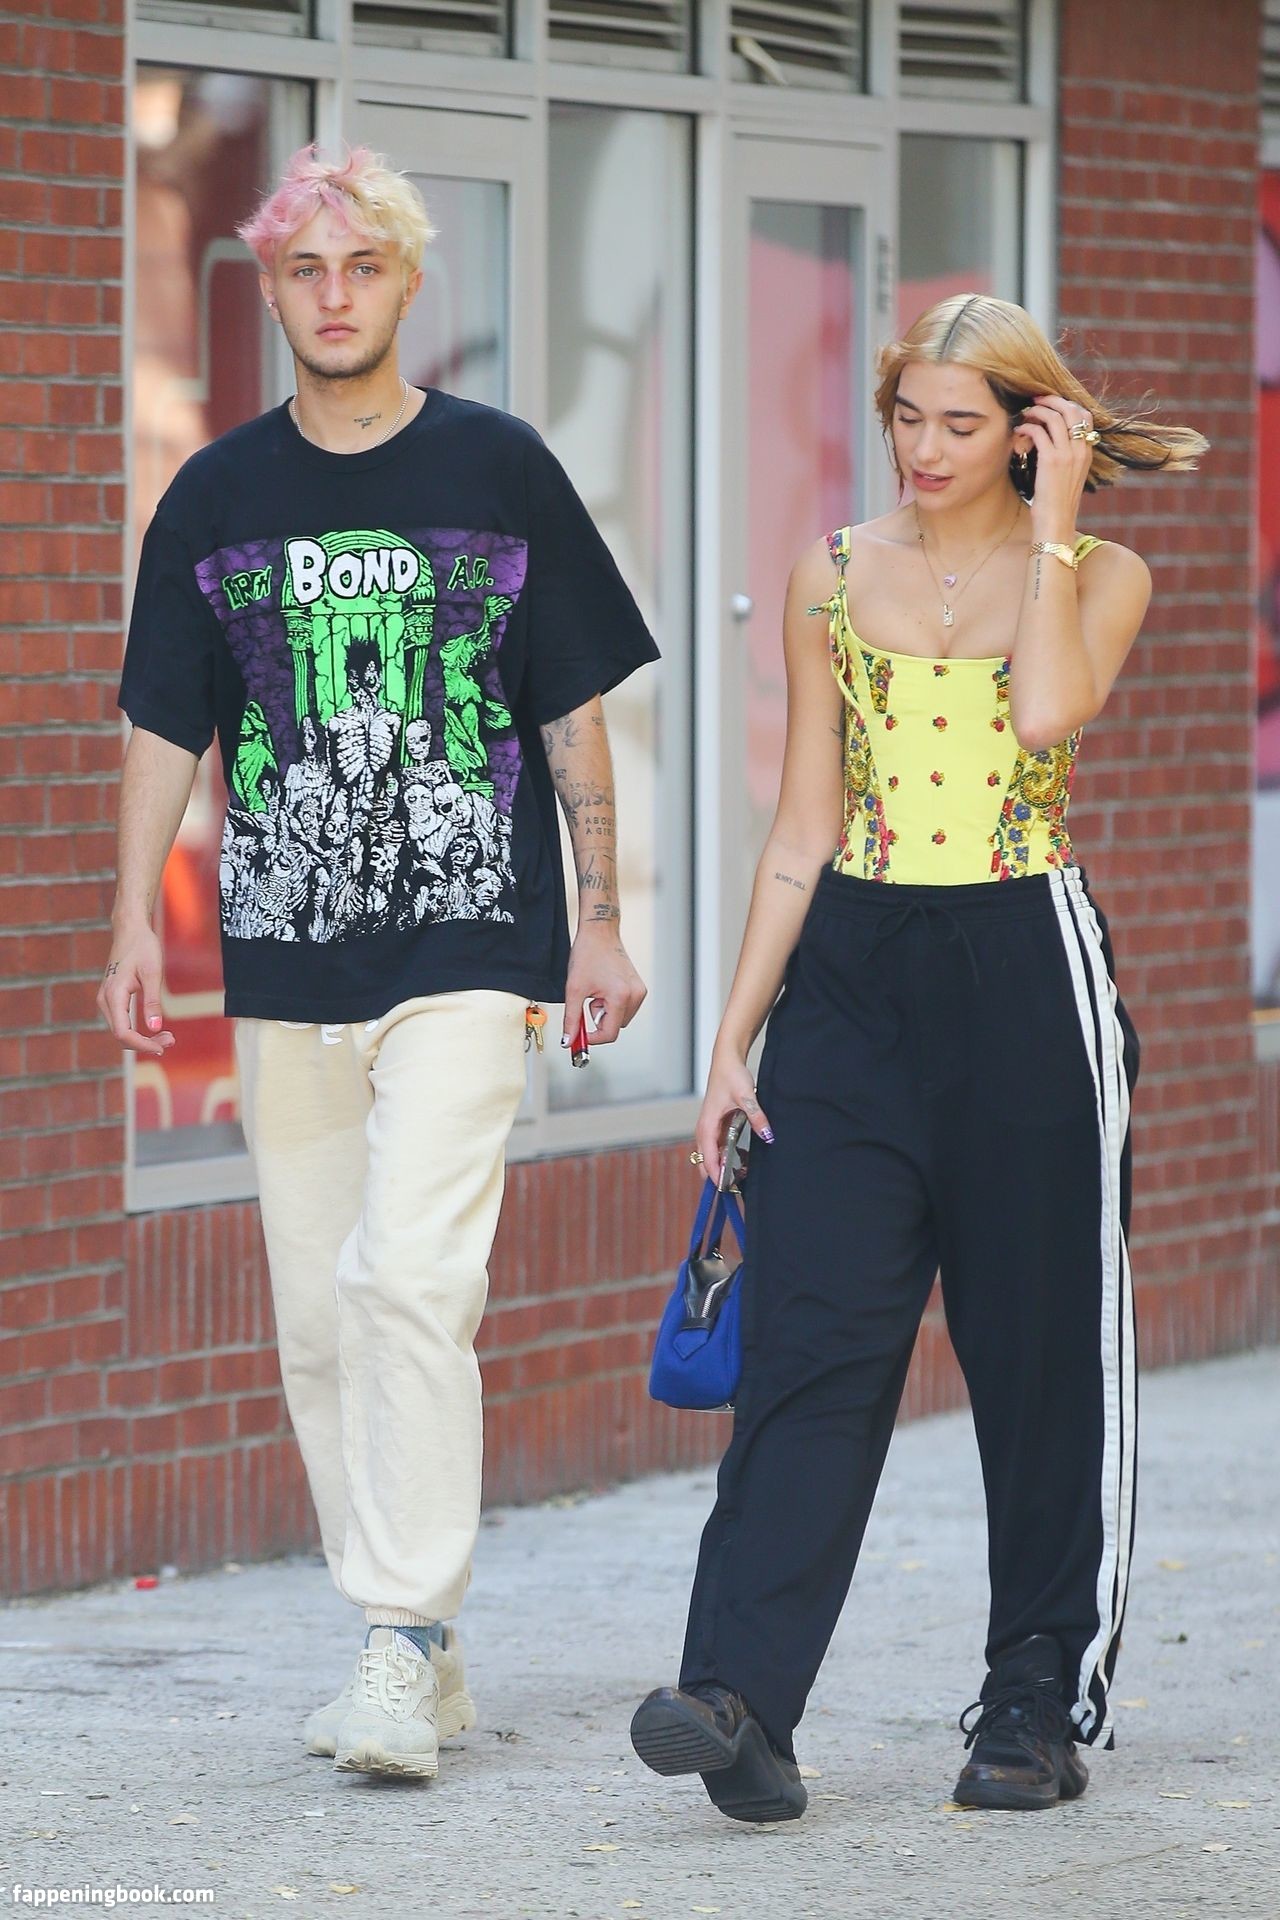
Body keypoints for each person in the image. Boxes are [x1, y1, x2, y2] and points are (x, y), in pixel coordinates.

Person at [100, 145, 658, 1782]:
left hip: (474, 942)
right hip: (287, 958)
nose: (334, 295)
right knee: (318, 1318)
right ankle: (415, 1630)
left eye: (362, 266)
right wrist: (130, 919)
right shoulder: (215, 496)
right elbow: (163, 723)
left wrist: (602, 916)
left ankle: (399, 1639)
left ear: (411, 281)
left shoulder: (500, 467)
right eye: (305, 270)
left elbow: (568, 706)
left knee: (411, 1280)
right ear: (270, 291)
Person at [630, 293, 1207, 1823]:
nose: (927, 449)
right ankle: (738, 1700)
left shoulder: (1105, 572)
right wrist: (733, 1040)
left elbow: (1049, 713)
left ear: (1027, 428)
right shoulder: (830, 573)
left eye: (964, 424)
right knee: (809, 1342)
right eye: (908, 417)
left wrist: (1059, 522)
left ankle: (1034, 1703)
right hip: (851, 980)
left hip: (1027, 971)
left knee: (1040, 1356)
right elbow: (802, 826)